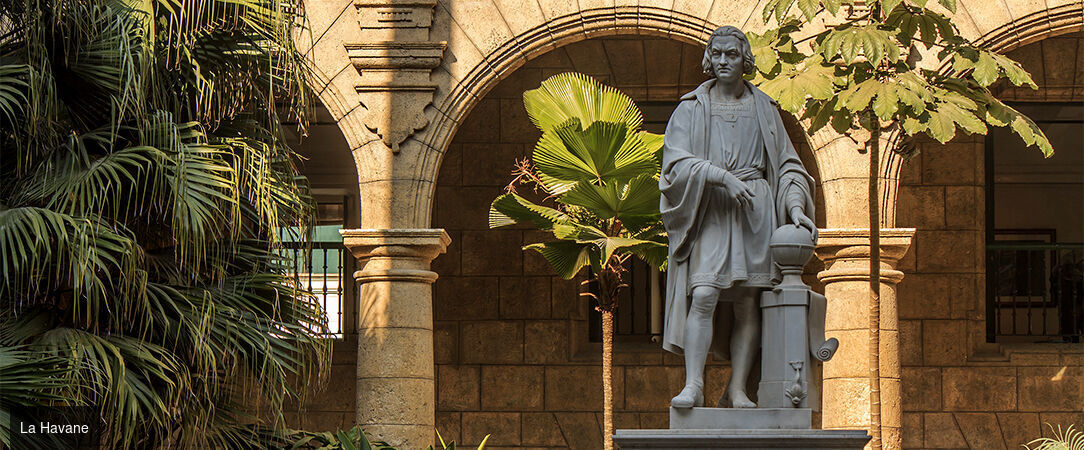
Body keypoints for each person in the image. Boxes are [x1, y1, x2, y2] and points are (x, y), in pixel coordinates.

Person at [659, 25, 817, 409]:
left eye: (732, 54)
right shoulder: (691, 107)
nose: (724, 61)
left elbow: (788, 165)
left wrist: (795, 206)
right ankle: (693, 385)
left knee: (748, 301)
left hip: (755, 209)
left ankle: (737, 388)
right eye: (717, 54)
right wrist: (720, 176)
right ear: (708, 59)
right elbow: (676, 165)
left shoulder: (764, 107)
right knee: (705, 293)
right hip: (711, 208)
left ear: (745, 59)